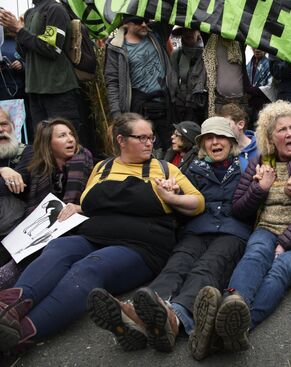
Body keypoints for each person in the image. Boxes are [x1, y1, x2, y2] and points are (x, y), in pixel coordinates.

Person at [0, 113, 204, 353]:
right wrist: (75, 207)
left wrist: (172, 196)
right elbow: (87, 202)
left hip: (140, 246)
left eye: (151, 138)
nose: (150, 143)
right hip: (92, 235)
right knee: (59, 248)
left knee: (89, 267)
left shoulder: (164, 169)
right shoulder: (102, 167)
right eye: (142, 138)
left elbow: (199, 202)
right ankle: (8, 309)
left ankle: (23, 334)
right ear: (122, 140)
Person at [191, 100, 291, 359]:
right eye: (282, 130)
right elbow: (239, 208)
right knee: (255, 254)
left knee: (280, 269)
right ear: (270, 138)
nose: (289, 134)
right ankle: (233, 309)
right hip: (267, 228)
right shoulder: (261, 162)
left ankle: (236, 326)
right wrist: (260, 188)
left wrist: (284, 243)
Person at [87, 116, 251, 355]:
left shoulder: (247, 166)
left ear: (231, 141)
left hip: (231, 232)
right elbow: (180, 199)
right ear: (203, 144)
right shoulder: (192, 168)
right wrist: (172, 193)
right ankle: (143, 315)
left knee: (207, 268)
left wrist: (259, 188)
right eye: (209, 138)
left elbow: (253, 202)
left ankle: (173, 318)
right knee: (176, 265)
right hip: (196, 230)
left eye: (221, 137)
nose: (216, 142)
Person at [0, 117, 93, 289]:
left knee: (16, 268)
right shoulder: (40, 168)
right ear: (48, 143)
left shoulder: (82, 159)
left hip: (71, 229)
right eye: (62, 136)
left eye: (71, 134)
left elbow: (80, 203)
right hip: (39, 229)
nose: (70, 139)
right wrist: (3, 169)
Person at [0, 1, 82, 142]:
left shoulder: (55, 9)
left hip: (58, 89)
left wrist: (20, 30)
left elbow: (52, 48)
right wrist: (15, 32)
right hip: (35, 89)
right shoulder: (29, 14)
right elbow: (25, 53)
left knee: (66, 142)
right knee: (42, 145)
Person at [104, 15, 177, 153]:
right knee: (147, 150)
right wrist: (117, 115)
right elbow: (112, 82)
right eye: (138, 21)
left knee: (171, 148)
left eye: (147, 20)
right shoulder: (116, 47)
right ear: (126, 23)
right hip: (138, 109)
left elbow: (170, 10)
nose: (144, 24)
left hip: (165, 104)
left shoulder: (156, 34)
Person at [0, 108, 32, 251]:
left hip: (20, 224)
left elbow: (19, 185)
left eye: (4, 124)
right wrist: (2, 170)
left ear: (13, 125)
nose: (1, 130)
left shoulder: (28, 151)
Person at [170, 26, 207, 123]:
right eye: (185, 30)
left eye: (192, 30)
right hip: (181, 104)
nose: (188, 33)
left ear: (199, 32)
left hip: (200, 104)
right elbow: (173, 79)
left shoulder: (207, 54)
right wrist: (174, 100)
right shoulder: (177, 54)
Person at [217, 103, 258, 171]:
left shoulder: (263, 148)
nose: (222, 130)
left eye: (226, 125)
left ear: (241, 124)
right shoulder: (222, 151)